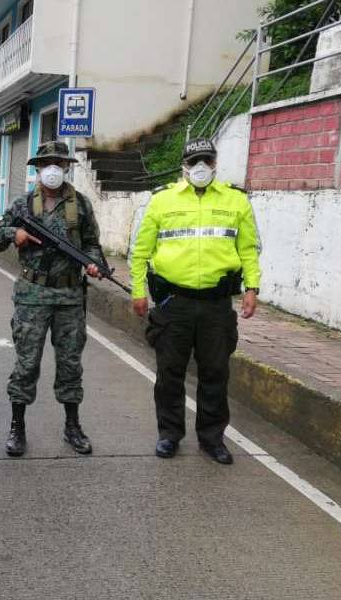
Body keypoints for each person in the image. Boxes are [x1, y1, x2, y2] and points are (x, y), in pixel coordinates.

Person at [129, 138, 261, 465]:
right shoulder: (162, 201)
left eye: (206, 160)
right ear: (183, 167)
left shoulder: (236, 201)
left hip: (217, 303)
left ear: (215, 163)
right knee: (169, 373)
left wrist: (251, 288)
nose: (200, 168)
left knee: (215, 372)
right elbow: (141, 249)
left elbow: (249, 249)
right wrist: (137, 290)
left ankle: (212, 438)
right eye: (194, 162)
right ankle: (169, 434)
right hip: (175, 301)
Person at [0, 141, 105, 457]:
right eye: (47, 163)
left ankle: (72, 426)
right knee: (26, 364)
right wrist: (15, 235)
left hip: (69, 297)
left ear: (65, 167)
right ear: (38, 168)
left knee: (70, 364)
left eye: (58, 162)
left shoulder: (80, 204)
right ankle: (17, 427)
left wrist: (95, 264)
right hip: (32, 296)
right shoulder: (23, 205)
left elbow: (93, 244)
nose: (53, 168)